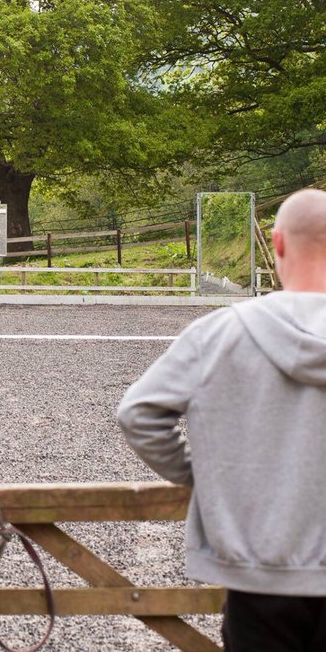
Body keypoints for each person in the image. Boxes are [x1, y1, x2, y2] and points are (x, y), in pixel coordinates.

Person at [117, 188, 326, 652]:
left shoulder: (220, 332)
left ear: (278, 243)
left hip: (257, 574)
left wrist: (203, 476)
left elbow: (138, 413)